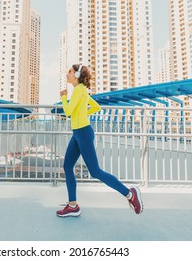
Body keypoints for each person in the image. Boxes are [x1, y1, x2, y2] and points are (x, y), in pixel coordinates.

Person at [56, 64, 144, 217]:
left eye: (69, 71)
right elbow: (96, 107)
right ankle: (73, 206)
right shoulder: (82, 90)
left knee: (95, 171)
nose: (67, 73)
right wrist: (83, 113)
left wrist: (63, 97)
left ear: (76, 75)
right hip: (78, 132)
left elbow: (68, 112)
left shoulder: (78, 90)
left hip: (83, 133)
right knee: (68, 165)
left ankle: (130, 195)